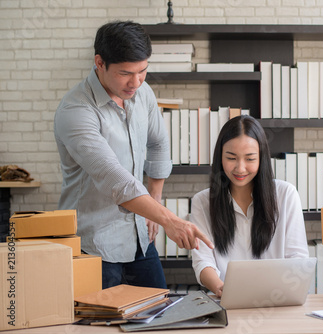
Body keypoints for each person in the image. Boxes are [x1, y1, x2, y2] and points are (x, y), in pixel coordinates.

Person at [54, 20, 213, 289]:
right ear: (99, 63)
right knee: (99, 328)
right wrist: (170, 220)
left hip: (140, 237)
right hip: (93, 245)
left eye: (143, 71)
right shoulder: (76, 111)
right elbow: (116, 180)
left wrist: (154, 202)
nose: (136, 82)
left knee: (158, 316)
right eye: (126, 73)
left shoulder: (143, 93)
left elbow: (159, 144)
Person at [190, 115, 309, 297]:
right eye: (231, 158)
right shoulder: (202, 202)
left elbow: (298, 259)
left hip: (276, 302)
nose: (240, 168)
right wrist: (221, 288)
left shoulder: (286, 195)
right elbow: (203, 262)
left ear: (262, 159)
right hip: (226, 300)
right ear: (220, 157)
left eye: (250, 159)